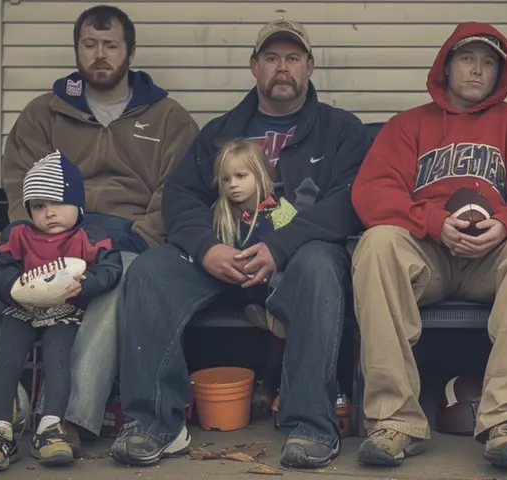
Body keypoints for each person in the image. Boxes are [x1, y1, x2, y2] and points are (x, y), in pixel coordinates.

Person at [110, 19, 371, 469]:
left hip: (296, 258)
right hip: (223, 255)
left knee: (320, 268)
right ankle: (154, 425)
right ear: (254, 67)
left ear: (309, 66)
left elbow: (349, 201)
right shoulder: (221, 132)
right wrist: (208, 249)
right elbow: (182, 197)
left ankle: (310, 425)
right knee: (150, 271)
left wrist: (280, 247)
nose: (282, 68)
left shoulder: (341, 130)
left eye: (292, 58)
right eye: (271, 58)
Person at [0, 4, 197, 456]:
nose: (100, 54)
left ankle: (66, 420)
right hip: (42, 236)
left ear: (130, 52)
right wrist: (32, 239)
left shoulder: (167, 117)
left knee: (116, 289)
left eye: (111, 45)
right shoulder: (44, 112)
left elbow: (178, 191)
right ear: (77, 49)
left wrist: (139, 239)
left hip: (125, 237)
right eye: (89, 44)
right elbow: (20, 182)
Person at [350, 22, 507, 469]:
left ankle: (506, 422)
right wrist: (432, 222)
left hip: (491, 258)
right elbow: (373, 192)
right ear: (446, 66)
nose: (477, 70)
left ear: (499, 74)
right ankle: (395, 421)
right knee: (377, 243)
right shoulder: (408, 125)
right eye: (467, 59)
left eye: (488, 63)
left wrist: (504, 224)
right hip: (429, 255)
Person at [0, 152, 123, 471]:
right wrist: (13, 289)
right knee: (7, 360)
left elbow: (111, 268)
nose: (49, 213)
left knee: (58, 360)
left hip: (63, 310)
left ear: (77, 204)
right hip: (23, 309)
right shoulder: (19, 234)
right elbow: (0, 269)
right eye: (38, 206)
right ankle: (0, 433)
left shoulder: (88, 233)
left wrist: (87, 284)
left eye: (57, 202)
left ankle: (50, 428)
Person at [210, 139, 298, 339]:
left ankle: (275, 315)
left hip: (273, 281)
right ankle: (269, 316)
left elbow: (293, 246)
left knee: (287, 279)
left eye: (240, 176)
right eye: (225, 179)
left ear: (260, 174)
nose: (233, 184)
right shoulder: (221, 215)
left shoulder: (281, 210)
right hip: (239, 286)